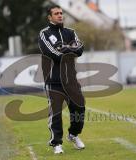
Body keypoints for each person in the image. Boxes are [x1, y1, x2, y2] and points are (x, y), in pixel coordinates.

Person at [38, 5, 85, 154]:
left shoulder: (71, 32)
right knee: (56, 114)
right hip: (54, 81)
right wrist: (69, 49)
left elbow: (80, 49)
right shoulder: (44, 34)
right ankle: (56, 143)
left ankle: (73, 135)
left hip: (71, 80)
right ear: (49, 17)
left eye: (61, 13)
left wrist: (64, 48)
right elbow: (53, 53)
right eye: (56, 13)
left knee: (79, 109)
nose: (60, 15)